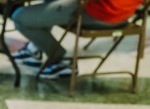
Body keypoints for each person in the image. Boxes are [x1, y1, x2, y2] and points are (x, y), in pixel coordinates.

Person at [11, 0, 144, 78]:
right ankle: (35, 48)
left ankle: (58, 60)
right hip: (124, 13)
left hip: (100, 14)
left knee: (20, 18)